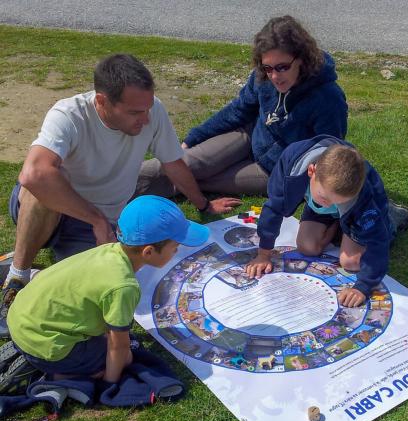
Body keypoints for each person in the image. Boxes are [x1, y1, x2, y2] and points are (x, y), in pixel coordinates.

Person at [0, 53, 239, 335]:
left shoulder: (152, 112)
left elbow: (173, 163)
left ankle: (38, 267)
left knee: (106, 288)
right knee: (40, 186)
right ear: (102, 101)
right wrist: (96, 220)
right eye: (135, 112)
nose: (146, 118)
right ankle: (18, 276)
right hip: (61, 211)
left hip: (104, 222)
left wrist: (203, 204)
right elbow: (34, 174)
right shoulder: (69, 114)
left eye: (147, 108)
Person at [5, 196, 209, 384]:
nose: (177, 251)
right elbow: (118, 346)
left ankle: (41, 355)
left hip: (20, 320)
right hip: (43, 344)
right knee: (126, 356)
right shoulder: (123, 286)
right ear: (148, 252)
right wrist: (110, 381)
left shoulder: (107, 251)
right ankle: (60, 375)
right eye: (175, 247)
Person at [144, 15, 348, 197]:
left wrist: (308, 185)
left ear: (302, 59)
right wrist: (193, 137)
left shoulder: (328, 98)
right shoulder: (263, 78)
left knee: (197, 180)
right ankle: (117, 181)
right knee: (185, 163)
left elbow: (328, 149)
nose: (275, 76)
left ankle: (140, 194)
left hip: (276, 169)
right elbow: (238, 110)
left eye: (282, 67)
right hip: (249, 136)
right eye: (268, 68)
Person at [245, 135, 408, 307]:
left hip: (357, 210)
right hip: (324, 210)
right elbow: (274, 207)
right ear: (311, 171)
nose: (329, 203)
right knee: (307, 247)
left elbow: (378, 240)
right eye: (324, 197)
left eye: (337, 201)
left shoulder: (365, 193)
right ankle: (339, 223)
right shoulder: (292, 161)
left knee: (350, 261)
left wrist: (363, 287)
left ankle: (391, 217)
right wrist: (263, 254)